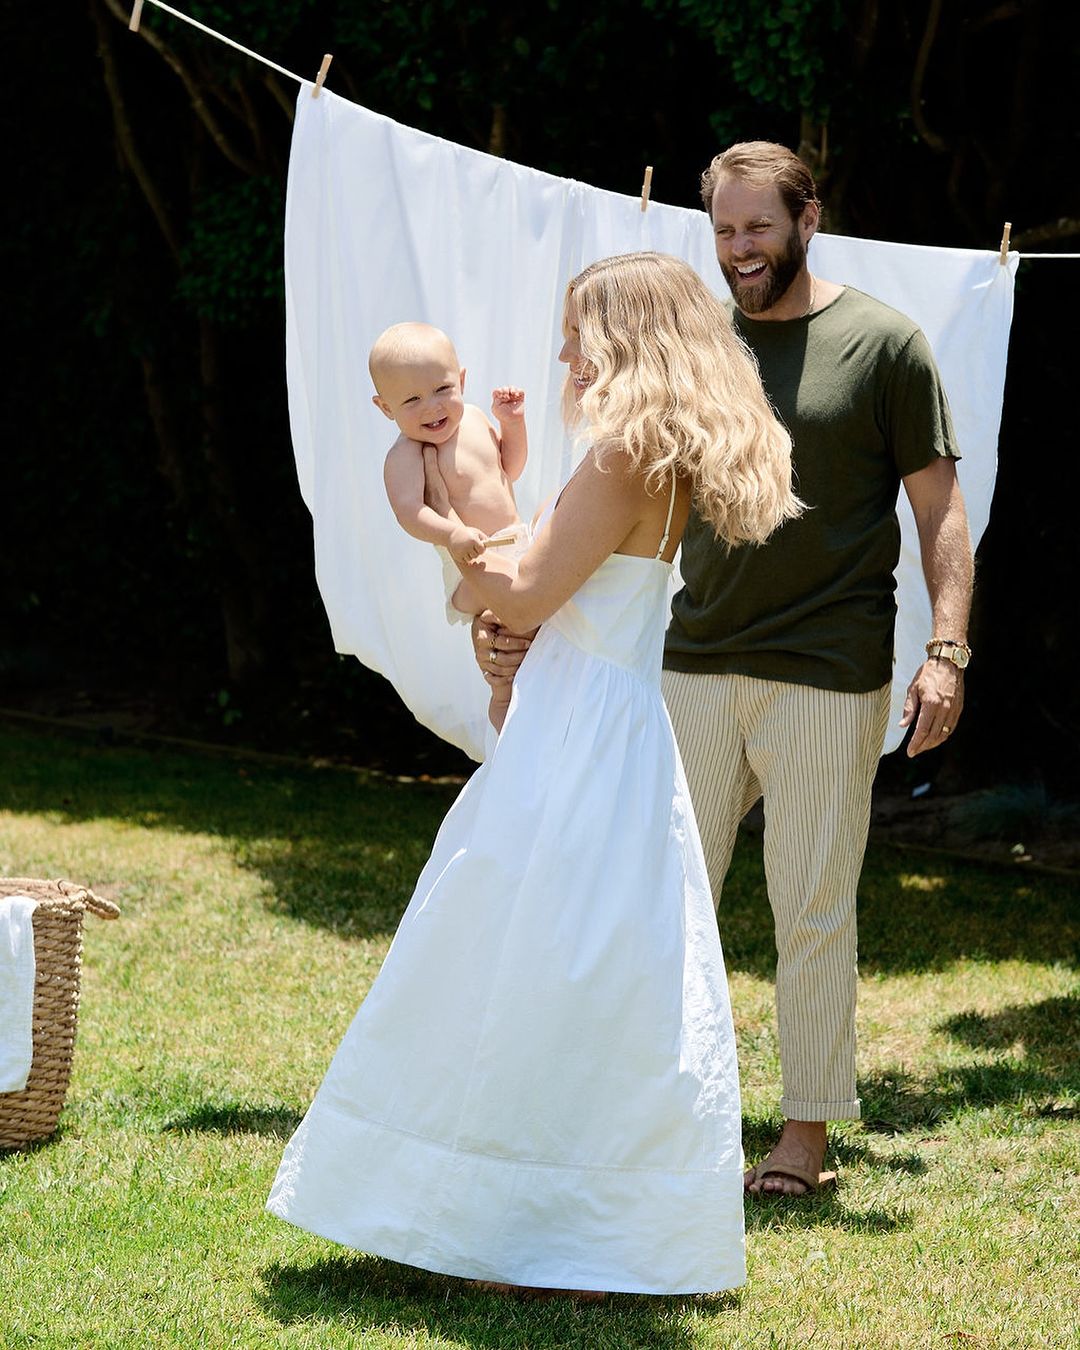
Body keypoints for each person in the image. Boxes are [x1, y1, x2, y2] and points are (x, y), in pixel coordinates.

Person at [268, 252, 802, 1296]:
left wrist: (455, 550)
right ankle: (556, 1224)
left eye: (577, 332)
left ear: (625, 340)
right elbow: (549, 595)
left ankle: (532, 1230)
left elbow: (526, 590)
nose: (563, 352)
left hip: (583, 736)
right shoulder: (649, 457)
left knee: (538, 957)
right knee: (578, 962)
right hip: (602, 719)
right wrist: (499, 610)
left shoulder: (624, 458)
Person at [660, 141, 975, 1197]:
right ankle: (661, 1115)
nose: (739, 249)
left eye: (758, 226)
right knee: (664, 900)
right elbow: (640, 497)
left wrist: (946, 650)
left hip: (829, 671)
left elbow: (940, 510)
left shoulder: (885, 344)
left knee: (812, 910)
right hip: (694, 662)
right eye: (723, 230)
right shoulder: (699, 345)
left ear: (808, 221)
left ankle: (804, 1137)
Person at [373, 321, 530, 729]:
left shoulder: (475, 419)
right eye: (412, 399)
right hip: (469, 563)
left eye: (442, 389)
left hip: (516, 544)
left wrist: (512, 424)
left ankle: (529, 705)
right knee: (507, 635)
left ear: (461, 380)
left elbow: (509, 469)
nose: (432, 407)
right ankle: (502, 704)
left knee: (539, 631)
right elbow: (410, 512)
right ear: (386, 408)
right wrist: (452, 534)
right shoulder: (406, 454)